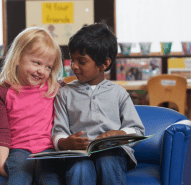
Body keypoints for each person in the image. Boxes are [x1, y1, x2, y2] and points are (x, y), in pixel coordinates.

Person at [52, 22, 145, 185]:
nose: (74, 66)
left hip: (113, 154)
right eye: (72, 60)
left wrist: (120, 134)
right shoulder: (64, 93)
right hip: (79, 155)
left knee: (107, 160)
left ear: (104, 63)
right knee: (80, 169)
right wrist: (65, 142)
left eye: (81, 61)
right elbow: (59, 130)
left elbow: (137, 130)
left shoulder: (119, 93)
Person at [0, 27, 64, 185]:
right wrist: (1, 164)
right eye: (37, 63)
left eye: (48, 67)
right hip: (19, 150)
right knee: (19, 178)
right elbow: (2, 131)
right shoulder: (2, 91)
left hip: (48, 150)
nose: (42, 71)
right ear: (18, 57)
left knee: (50, 179)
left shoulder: (54, 86)